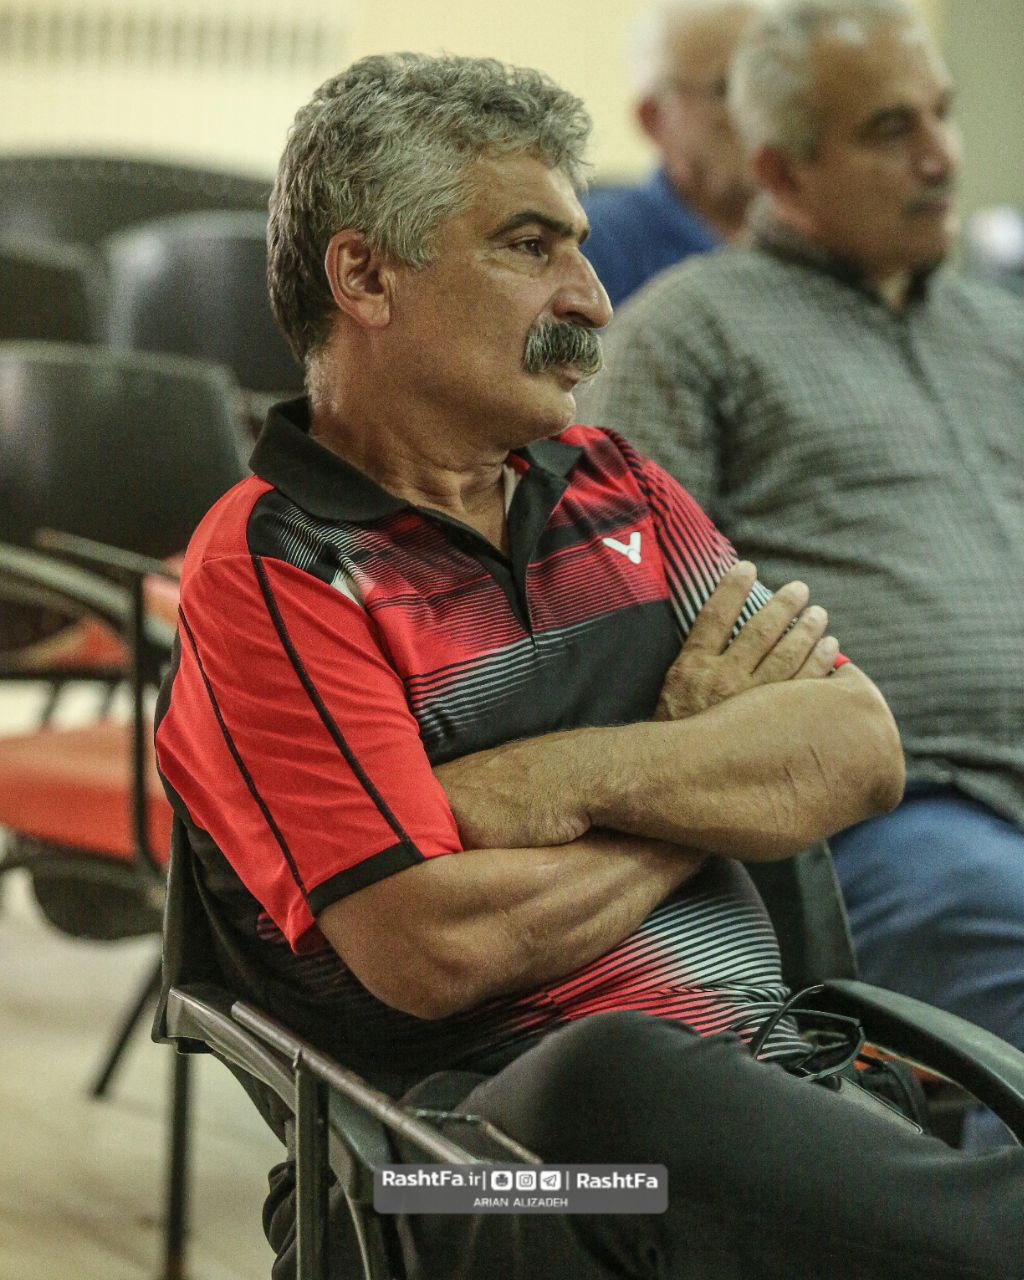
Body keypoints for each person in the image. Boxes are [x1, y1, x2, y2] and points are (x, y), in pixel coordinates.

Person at [154, 52, 1024, 1280]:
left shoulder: (621, 488)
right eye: (529, 246)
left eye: (579, 245)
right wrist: (699, 790)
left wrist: (559, 777)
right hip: (443, 1171)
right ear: (365, 276)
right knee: (609, 1080)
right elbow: (432, 950)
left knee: (728, 1133)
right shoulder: (274, 562)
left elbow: (856, 747)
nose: (595, 300)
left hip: (783, 1100)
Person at [579, 0, 1024, 1148]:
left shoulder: (1002, 337)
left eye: (939, 114)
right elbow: (619, 629)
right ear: (780, 168)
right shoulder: (690, 331)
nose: (940, 155)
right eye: (888, 129)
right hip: (892, 811)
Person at [582, 0, 762, 307]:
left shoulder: (825, 237)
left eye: (771, 86)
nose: (761, 113)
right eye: (729, 88)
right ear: (653, 118)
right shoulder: (594, 245)